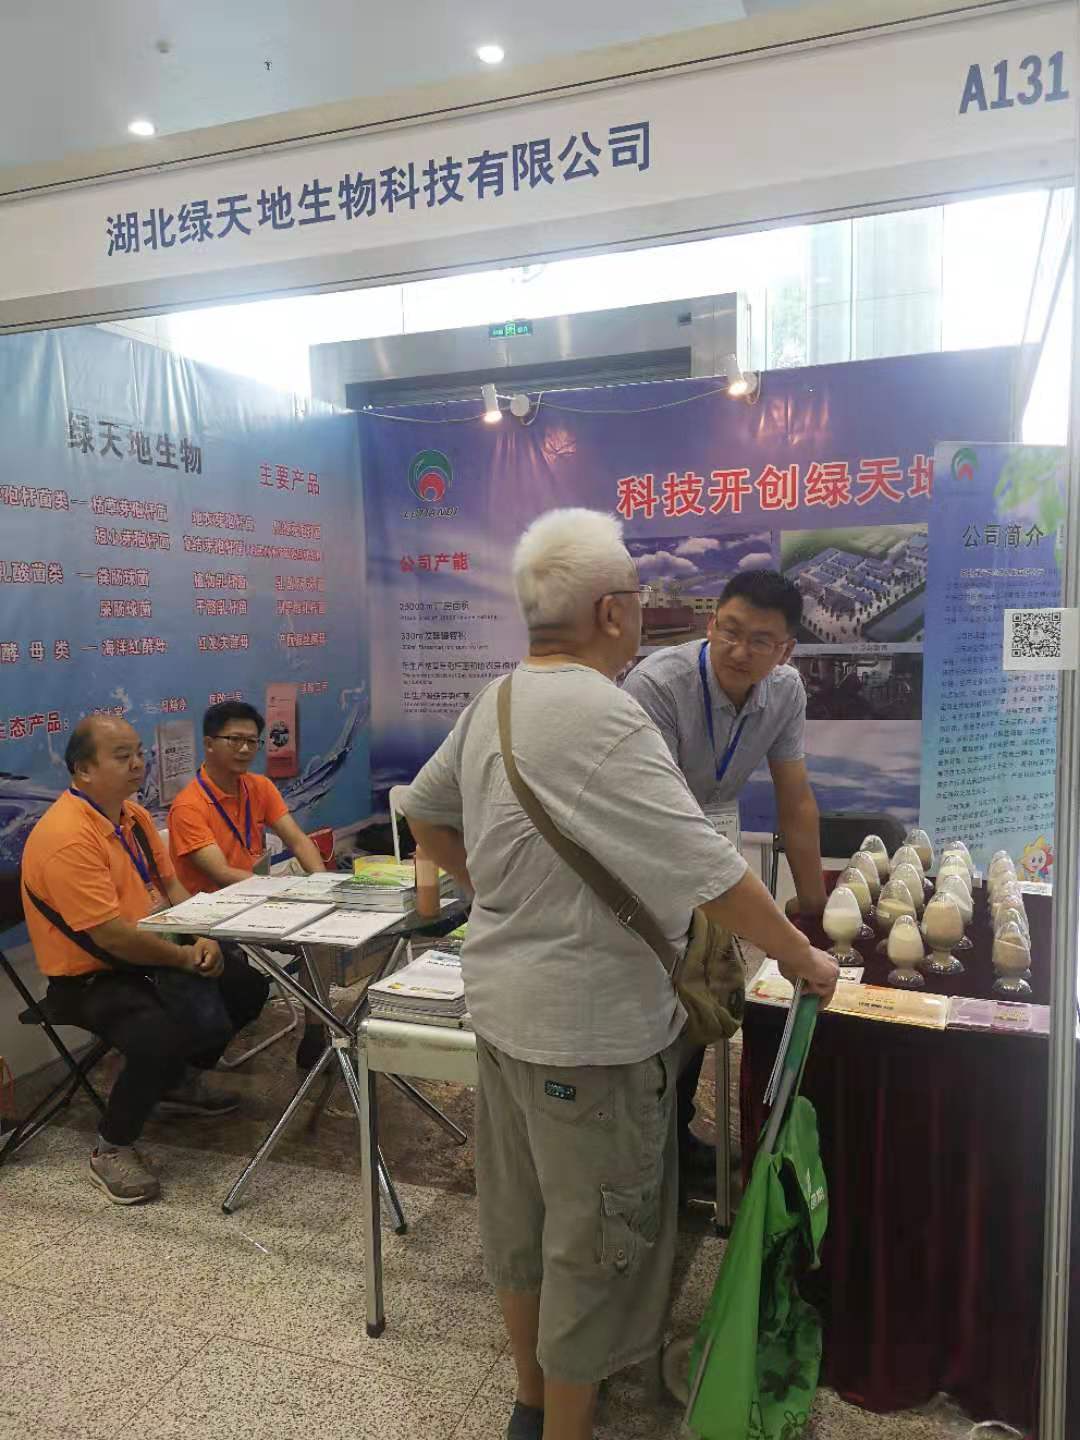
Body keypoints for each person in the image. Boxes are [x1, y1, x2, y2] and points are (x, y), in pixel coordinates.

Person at [401, 509, 837, 1440]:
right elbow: (711, 873)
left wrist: (497, 893)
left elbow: (424, 812)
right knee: (594, 1245)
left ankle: (530, 1404)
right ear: (611, 611)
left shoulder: (499, 699)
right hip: (590, 1034)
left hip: (501, 1015)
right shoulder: (609, 714)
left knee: (520, 1221)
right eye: (639, 598)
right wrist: (803, 954)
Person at [623, 569, 827, 1185]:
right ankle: (641, 1150)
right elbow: (655, 818)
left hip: (710, 834)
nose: (740, 651)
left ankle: (676, 1139)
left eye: (760, 640)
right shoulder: (658, 684)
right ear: (710, 623)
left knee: (702, 995)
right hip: (645, 842)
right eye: (730, 631)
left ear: (785, 650)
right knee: (653, 997)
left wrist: (813, 911)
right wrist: (777, 934)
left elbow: (796, 801)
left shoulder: (785, 691)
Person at [20, 716, 269, 1205]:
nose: (138, 763)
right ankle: (111, 1148)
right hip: (91, 978)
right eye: (122, 756)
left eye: (138, 752)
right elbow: (112, 937)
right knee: (158, 1034)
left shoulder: (131, 817)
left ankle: (179, 1083)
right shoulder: (68, 837)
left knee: (246, 987)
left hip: (150, 955)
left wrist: (201, 937)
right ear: (83, 769)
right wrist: (182, 956)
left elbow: (172, 889)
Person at [167, 700, 330, 1069]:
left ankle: (317, 1029)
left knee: (319, 937)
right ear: (209, 743)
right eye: (234, 739)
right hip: (211, 917)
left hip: (257, 903)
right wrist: (286, 892)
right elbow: (221, 874)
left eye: (252, 741)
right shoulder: (189, 806)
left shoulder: (259, 786)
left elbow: (298, 839)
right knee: (249, 986)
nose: (244, 749)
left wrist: (322, 884)